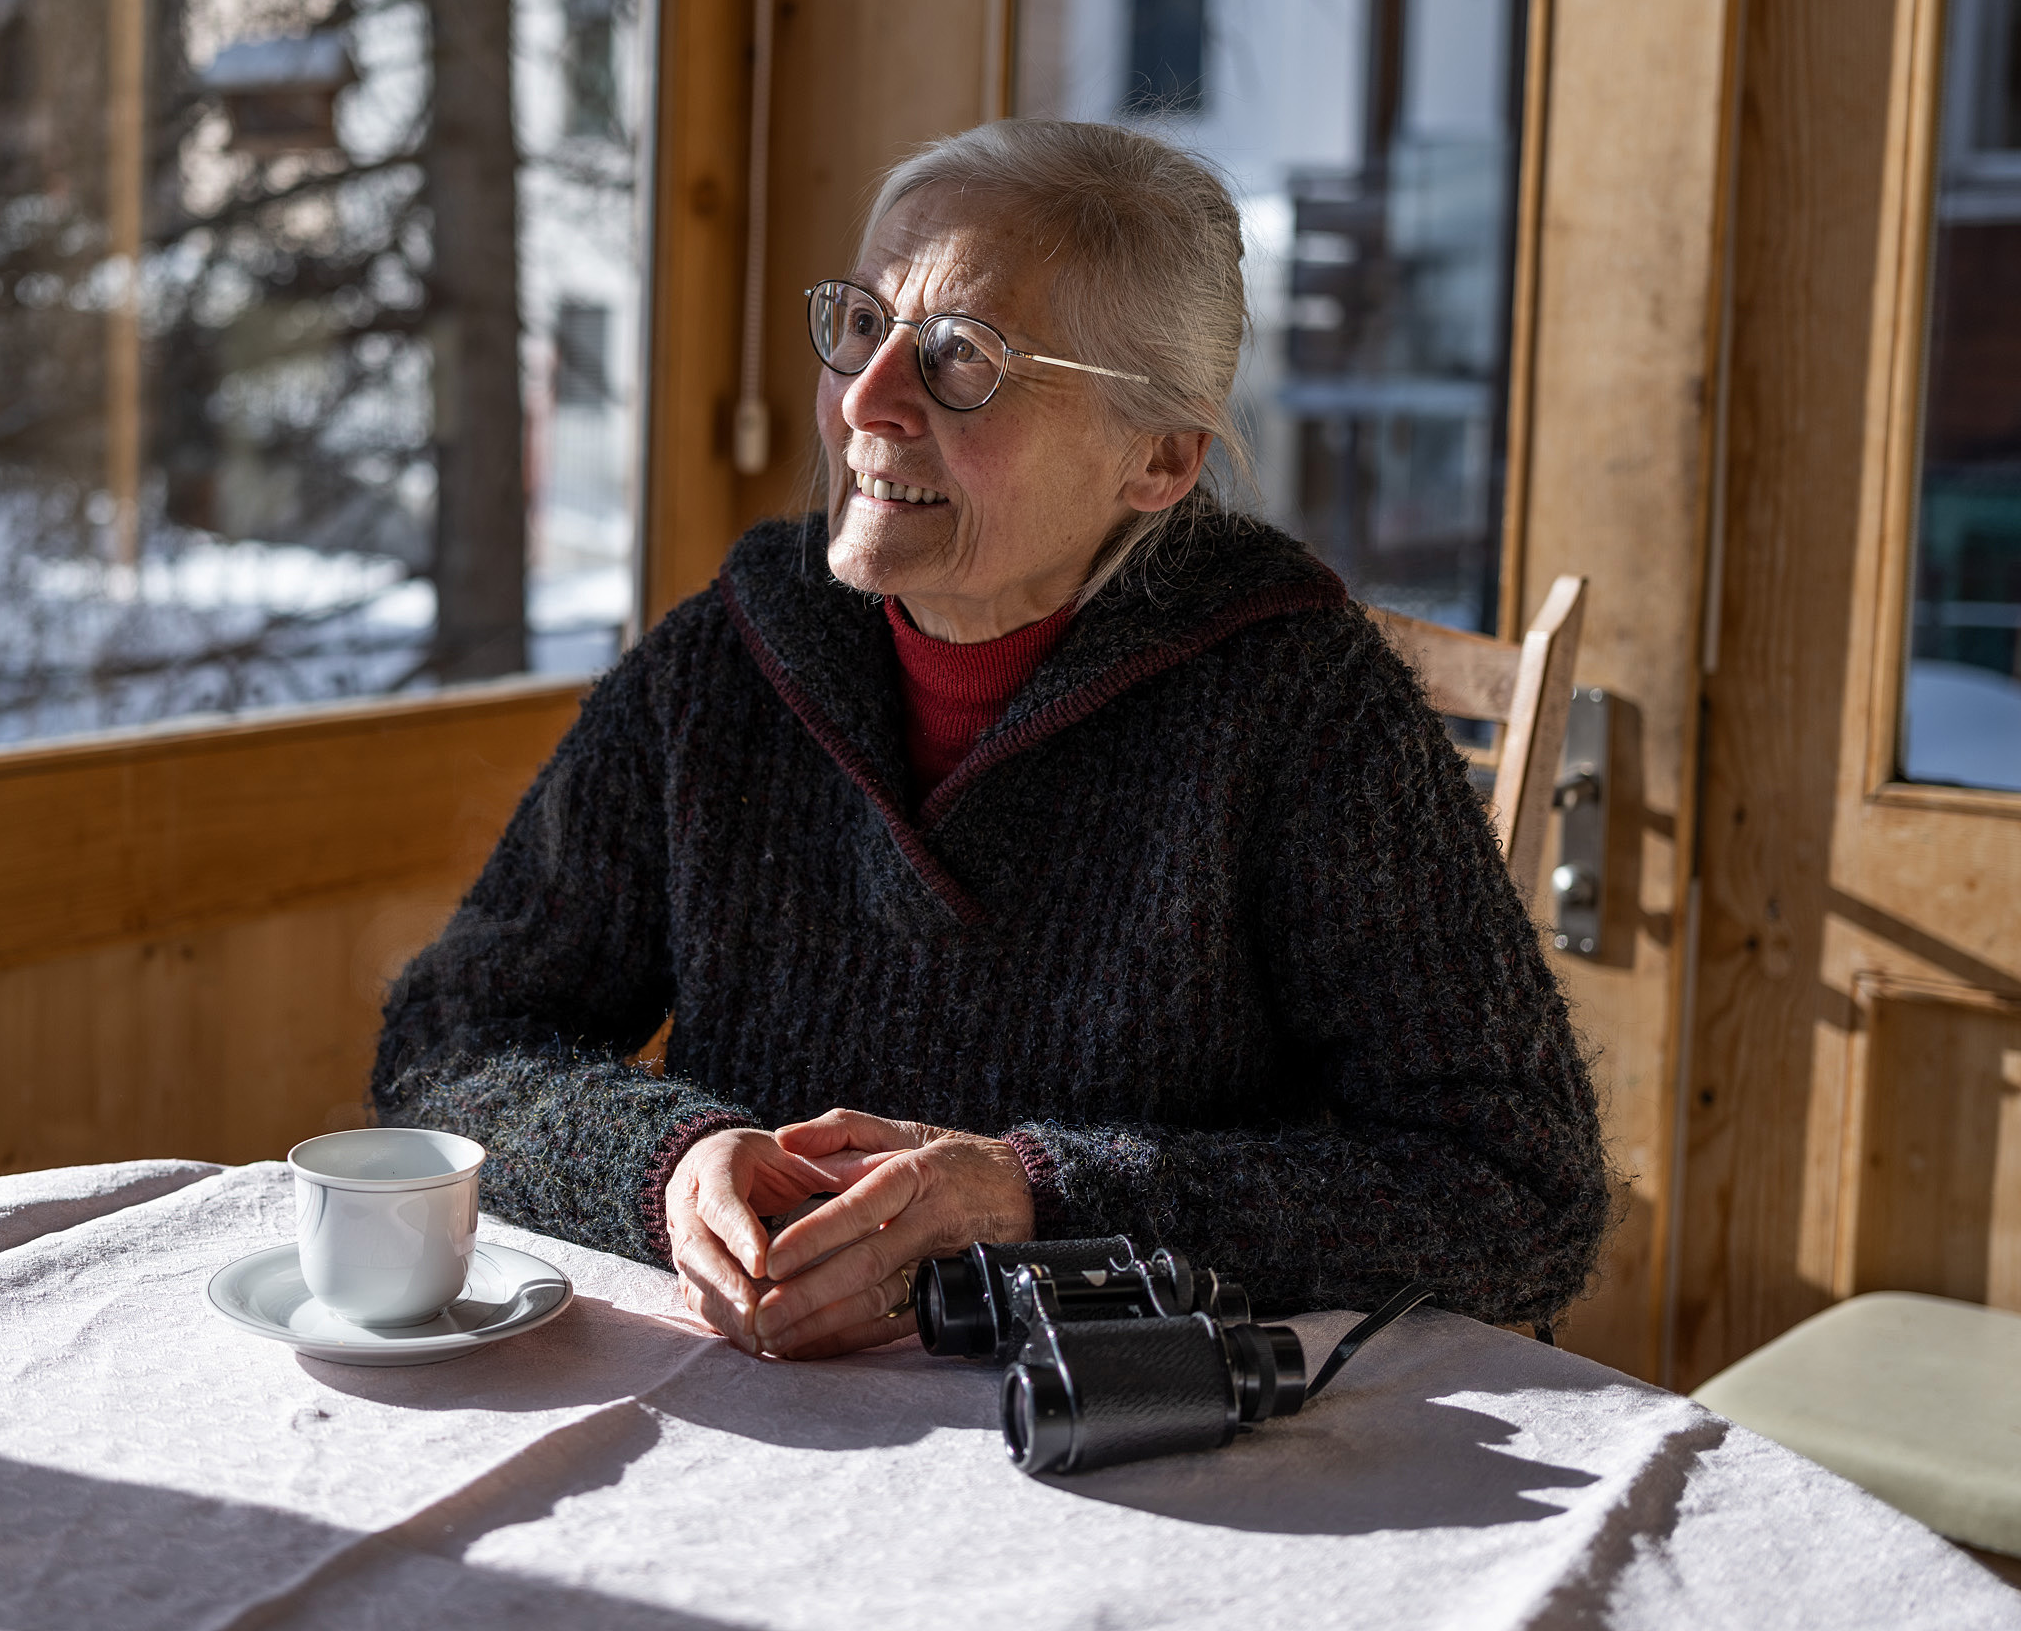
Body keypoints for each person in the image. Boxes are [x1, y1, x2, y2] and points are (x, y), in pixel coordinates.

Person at [370, 119, 1609, 1359]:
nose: (866, 398)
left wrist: (1038, 1196)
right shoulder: (727, 662)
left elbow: (1515, 1190)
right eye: (862, 322)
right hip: (767, 1418)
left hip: (1147, 1446)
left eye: (962, 359)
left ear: (1158, 458)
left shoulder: (1297, 708)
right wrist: (667, 1161)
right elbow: (449, 1041)